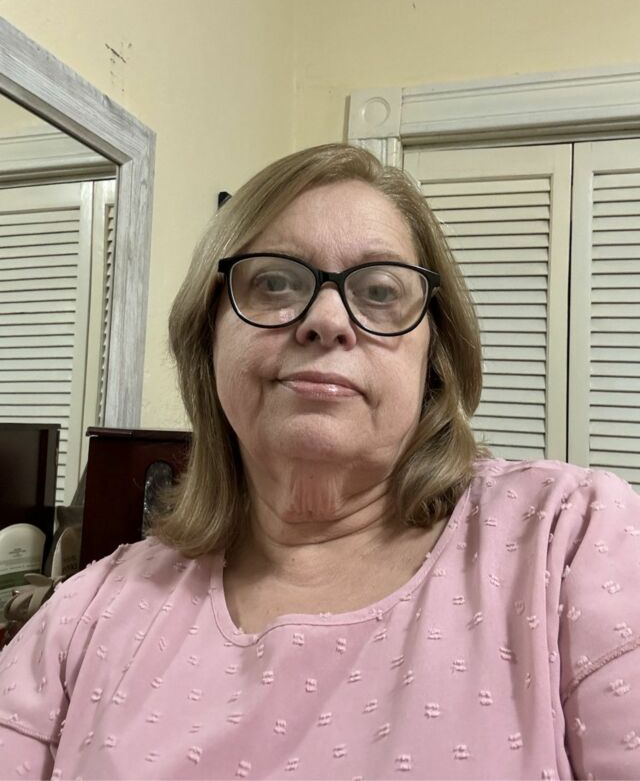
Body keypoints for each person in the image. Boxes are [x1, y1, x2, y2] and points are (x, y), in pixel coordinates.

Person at [0, 143, 639, 780]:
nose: (327, 320)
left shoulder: (571, 540)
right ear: (208, 337)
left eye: (381, 290)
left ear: (433, 356)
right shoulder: (86, 615)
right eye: (274, 282)